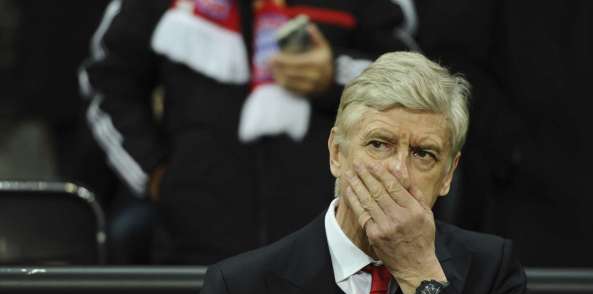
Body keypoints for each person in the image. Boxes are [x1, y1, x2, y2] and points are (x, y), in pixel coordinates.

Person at [176, 52, 544, 294]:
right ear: (337, 153)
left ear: (448, 174)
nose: (399, 172)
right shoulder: (239, 289)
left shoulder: (490, 270)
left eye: (423, 154)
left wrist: (421, 275)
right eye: (379, 145)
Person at [80, 0, 416, 264]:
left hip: (334, 245)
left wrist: (334, 75)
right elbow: (105, 81)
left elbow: (414, 85)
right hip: (196, 246)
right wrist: (154, 174)